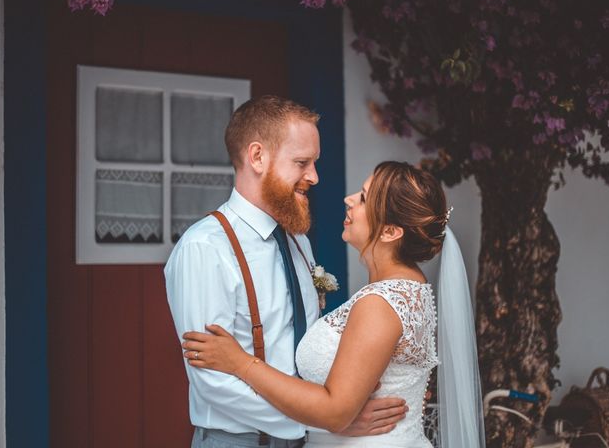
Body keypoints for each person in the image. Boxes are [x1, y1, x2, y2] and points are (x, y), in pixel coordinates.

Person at [182, 161, 486, 448]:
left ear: (391, 231)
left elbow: (335, 412)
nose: (348, 199)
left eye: (365, 199)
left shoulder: (381, 303)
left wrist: (240, 363)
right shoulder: (409, 290)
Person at [165, 96, 409, 448]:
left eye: (314, 163)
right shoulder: (205, 248)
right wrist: (326, 421)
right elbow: (213, 383)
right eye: (301, 162)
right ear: (257, 157)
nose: (314, 176)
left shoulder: (297, 241)